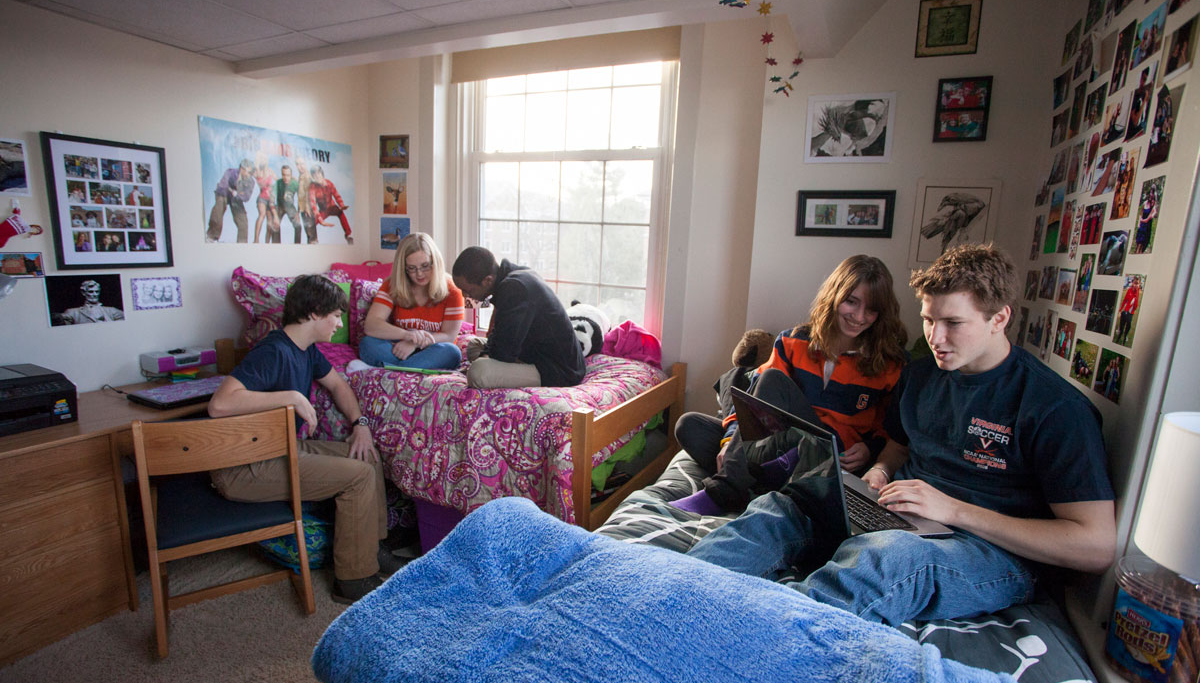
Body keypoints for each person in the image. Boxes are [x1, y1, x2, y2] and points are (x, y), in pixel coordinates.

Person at [684, 244, 1116, 627]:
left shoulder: (1055, 407)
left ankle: (756, 647)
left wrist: (955, 510)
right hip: (896, 512)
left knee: (883, 558)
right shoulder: (923, 374)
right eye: (929, 320)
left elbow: (1094, 546)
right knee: (778, 507)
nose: (936, 338)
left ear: (999, 318)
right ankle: (667, 598)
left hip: (981, 547)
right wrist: (879, 472)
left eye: (953, 323)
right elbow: (898, 446)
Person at [207, 275, 404, 604]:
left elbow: (340, 386)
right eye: (335, 315)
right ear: (314, 313)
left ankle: (372, 549)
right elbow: (220, 404)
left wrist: (361, 424)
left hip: (278, 447)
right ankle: (353, 580)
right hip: (244, 465)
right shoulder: (271, 351)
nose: (339, 323)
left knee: (365, 456)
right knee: (356, 477)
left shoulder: (308, 351)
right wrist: (293, 398)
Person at [670, 255, 909, 516]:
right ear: (835, 296)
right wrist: (730, 441)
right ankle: (765, 481)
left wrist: (870, 448)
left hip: (832, 453)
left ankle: (727, 490)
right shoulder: (793, 342)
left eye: (871, 309)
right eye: (851, 302)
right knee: (690, 425)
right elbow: (754, 404)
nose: (860, 316)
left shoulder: (890, 364)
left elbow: (893, 430)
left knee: (772, 380)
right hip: (779, 445)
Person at [451, 246, 584, 389]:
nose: (465, 296)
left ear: (487, 280)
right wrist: (487, 354)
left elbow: (503, 353)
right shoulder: (512, 276)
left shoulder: (515, 289)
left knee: (478, 372)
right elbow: (500, 336)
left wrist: (486, 358)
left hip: (558, 369)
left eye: (467, 290)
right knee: (474, 345)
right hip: (531, 351)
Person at [351, 233, 464, 372]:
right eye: (412, 268)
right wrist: (407, 336)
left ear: (435, 262)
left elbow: (449, 335)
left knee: (452, 352)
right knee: (368, 343)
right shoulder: (392, 285)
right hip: (399, 348)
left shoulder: (452, 290)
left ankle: (388, 369)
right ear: (403, 268)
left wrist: (415, 344)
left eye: (425, 266)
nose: (420, 274)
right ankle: (409, 369)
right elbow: (371, 325)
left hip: (432, 349)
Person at [205, 159, 256, 242]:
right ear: (242, 169)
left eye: (251, 173)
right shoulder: (230, 172)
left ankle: (242, 244)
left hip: (236, 198)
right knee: (218, 209)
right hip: (223, 193)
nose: (250, 175)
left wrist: (237, 195)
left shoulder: (251, 181)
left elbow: (246, 197)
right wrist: (233, 191)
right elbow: (222, 186)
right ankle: (211, 236)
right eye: (248, 172)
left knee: (243, 222)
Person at [308, 165, 353, 245]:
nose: (317, 176)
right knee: (312, 223)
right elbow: (313, 204)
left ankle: (348, 234)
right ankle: (313, 240)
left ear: (322, 174)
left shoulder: (329, 183)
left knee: (340, 212)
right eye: (314, 175)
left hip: (332, 207)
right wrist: (320, 219)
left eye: (318, 174)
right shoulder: (312, 187)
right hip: (322, 211)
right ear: (312, 177)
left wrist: (341, 205)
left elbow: (336, 195)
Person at [59, 279, 124, 323]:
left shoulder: (112, 310)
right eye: (91, 292)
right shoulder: (73, 312)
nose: (94, 294)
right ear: (84, 293)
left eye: (97, 292)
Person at [251, 152, 276, 244]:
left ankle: (267, 242)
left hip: (270, 199)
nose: (262, 161)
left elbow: (278, 181)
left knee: (270, 221)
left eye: (264, 159)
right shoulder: (256, 171)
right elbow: (252, 172)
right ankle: (256, 239)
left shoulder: (270, 171)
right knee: (262, 215)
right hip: (262, 198)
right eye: (260, 159)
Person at [274, 164, 303, 244]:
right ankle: (276, 246)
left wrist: (298, 212)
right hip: (280, 206)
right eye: (284, 175)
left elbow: (300, 198)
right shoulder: (278, 183)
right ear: (281, 174)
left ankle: (297, 247)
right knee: (275, 225)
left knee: (298, 226)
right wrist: (275, 215)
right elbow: (271, 199)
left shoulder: (295, 184)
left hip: (290, 207)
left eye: (288, 175)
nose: (286, 177)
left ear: (291, 175)